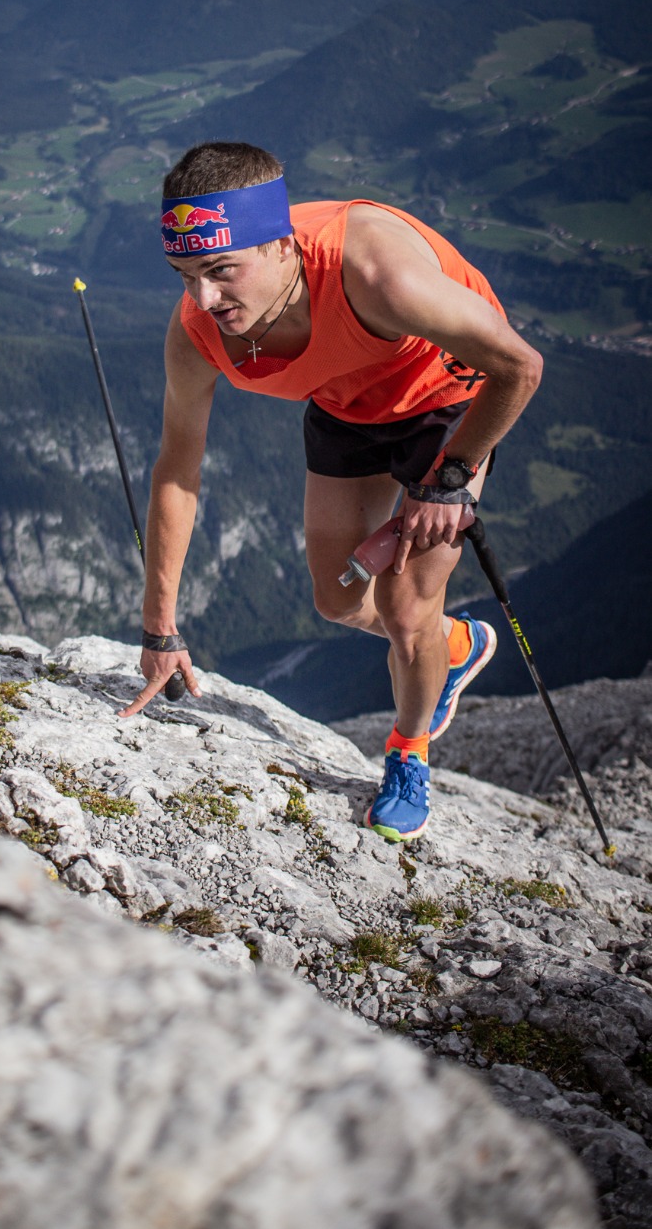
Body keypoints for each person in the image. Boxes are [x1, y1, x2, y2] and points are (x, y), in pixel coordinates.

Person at [121, 141, 543, 843]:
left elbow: (520, 368)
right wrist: (159, 627)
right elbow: (176, 468)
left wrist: (450, 478)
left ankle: (409, 754)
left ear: (284, 245)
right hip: (348, 406)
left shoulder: (379, 275)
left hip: (445, 401)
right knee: (339, 598)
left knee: (407, 610)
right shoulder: (198, 331)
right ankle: (453, 646)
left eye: (222, 271)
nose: (204, 300)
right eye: (185, 275)